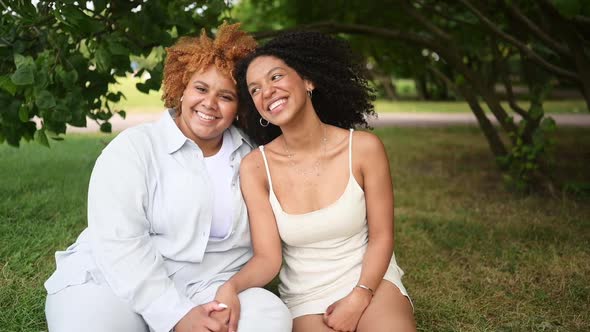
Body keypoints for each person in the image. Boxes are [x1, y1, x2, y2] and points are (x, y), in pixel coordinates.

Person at [44, 22, 292, 332]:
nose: (210, 104)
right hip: (115, 280)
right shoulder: (134, 148)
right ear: (181, 88)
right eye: (200, 89)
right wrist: (174, 315)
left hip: (210, 286)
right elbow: (119, 243)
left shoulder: (252, 156)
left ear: (239, 106)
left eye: (226, 96)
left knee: (270, 320)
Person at [234, 31, 416, 331]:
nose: (267, 92)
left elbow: (382, 236)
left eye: (276, 77)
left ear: (308, 80)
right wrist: (230, 287)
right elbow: (268, 258)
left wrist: (359, 297)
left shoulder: (364, 149)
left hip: (370, 281)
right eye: (255, 89)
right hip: (306, 298)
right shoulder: (255, 168)